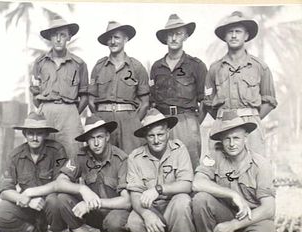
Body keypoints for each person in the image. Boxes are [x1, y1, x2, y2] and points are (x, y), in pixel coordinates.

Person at [22, 115, 131, 232]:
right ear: (86, 141)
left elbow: (127, 202)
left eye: (99, 137)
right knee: (62, 198)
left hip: (114, 212)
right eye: (91, 138)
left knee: (114, 222)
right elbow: (60, 182)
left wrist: (92, 203)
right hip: (94, 214)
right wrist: (82, 189)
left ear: (107, 137)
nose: (96, 143)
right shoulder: (82, 155)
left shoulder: (121, 159)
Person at [192, 110, 277, 232]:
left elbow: (269, 209)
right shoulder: (215, 156)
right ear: (221, 140)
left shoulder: (261, 165)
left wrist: (233, 225)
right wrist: (233, 194)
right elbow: (197, 183)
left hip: (252, 218)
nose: (232, 144)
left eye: (236, 138)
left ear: (245, 138)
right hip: (225, 213)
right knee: (200, 199)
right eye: (227, 139)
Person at [203, 11, 277, 155]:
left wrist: (252, 118)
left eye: (238, 31)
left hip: (251, 125)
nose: (234, 35)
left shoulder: (259, 67)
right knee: (219, 166)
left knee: (254, 164)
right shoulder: (215, 68)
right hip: (222, 123)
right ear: (224, 36)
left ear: (246, 35)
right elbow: (208, 101)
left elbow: (270, 100)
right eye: (230, 32)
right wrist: (223, 116)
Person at [0, 112, 68, 232]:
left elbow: (62, 183)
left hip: (51, 207)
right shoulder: (15, 155)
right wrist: (25, 200)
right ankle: (30, 230)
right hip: (28, 206)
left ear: (46, 134)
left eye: (39, 133)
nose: (34, 138)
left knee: (54, 201)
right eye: (30, 133)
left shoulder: (57, 151)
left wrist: (33, 192)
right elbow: (4, 190)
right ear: (24, 134)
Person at [126, 108, 195, 232]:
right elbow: (135, 194)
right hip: (150, 207)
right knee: (134, 221)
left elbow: (187, 185)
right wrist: (147, 215)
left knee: (182, 201)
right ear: (145, 137)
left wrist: (158, 189)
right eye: (151, 136)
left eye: (160, 134)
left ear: (168, 132)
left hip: (173, 205)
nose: (156, 140)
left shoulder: (179, 149)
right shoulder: (135, 157)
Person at [150, 14, 207, 170]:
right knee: (163, 166)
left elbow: (205, 101)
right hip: (163, 122)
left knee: (189, 165)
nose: (174, 38)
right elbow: (152, 101)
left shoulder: (196, 65)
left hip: (186, 121)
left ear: (186, 36)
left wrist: (193, 122)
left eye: (179, 33)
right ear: (165, 38)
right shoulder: (156, 67)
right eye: (170, 34)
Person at [30, 17, 89, 159]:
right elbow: (35, 93)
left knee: (73, 153)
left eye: (62, 35)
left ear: (69, 37)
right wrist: (45, 108)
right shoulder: (40, 63)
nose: (58, 39)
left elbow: (85, 96)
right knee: (43, 153)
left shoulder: (79, 64)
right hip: (46, 112)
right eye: (54, 35)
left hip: (69, 113)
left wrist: (73, 112)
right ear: (50, 38)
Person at [88, 21, 150, 154]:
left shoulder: (136, 67)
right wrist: (100, 120)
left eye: (116, 37)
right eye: (109, 38)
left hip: (128, 121)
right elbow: (91, 100)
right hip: (104, 120)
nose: (112, 41)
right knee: (104, 158)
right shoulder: (98, 67)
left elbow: (145, 103)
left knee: (130, 159)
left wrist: (133, 122)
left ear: (125, 39)